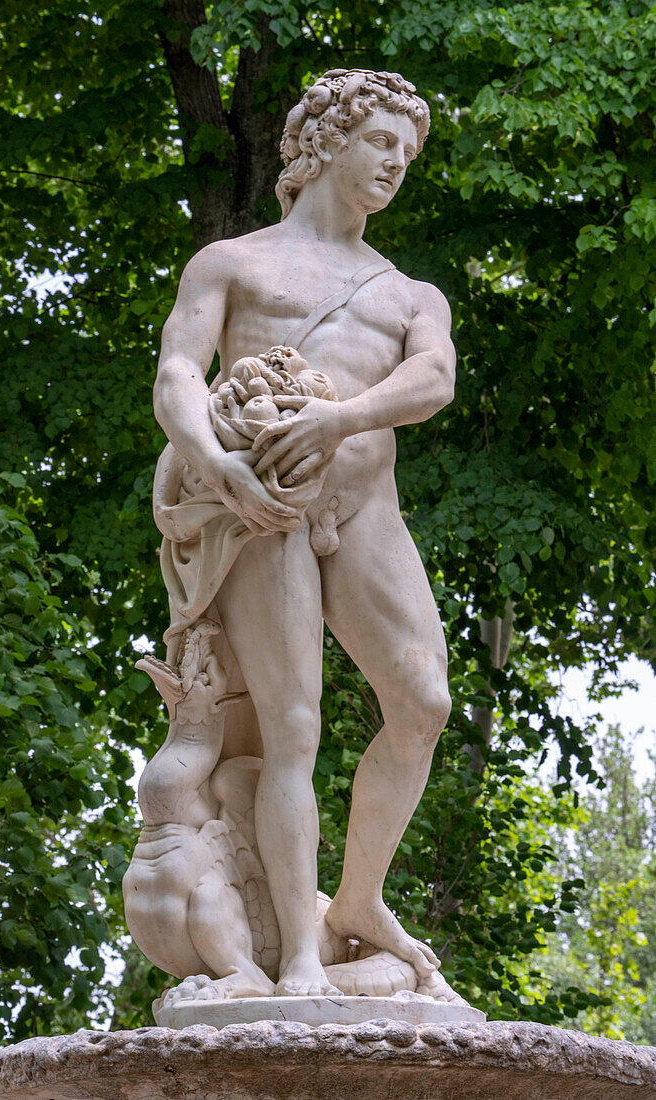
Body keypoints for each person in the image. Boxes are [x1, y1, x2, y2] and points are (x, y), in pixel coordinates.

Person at [152, 69, 456, 997]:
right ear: (326, 142)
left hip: (363, 509)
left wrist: (336, 420)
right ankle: (293, 957)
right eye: (381, 143)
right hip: (258, 510)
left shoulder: (409, 295)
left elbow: (433, 381)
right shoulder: (233, 264)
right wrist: (218, 468)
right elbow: (175, 375)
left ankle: (356, 903)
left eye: (408, 152)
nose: (396, 163)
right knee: (292, 728)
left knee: (423, 705)